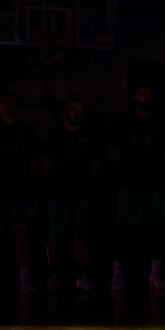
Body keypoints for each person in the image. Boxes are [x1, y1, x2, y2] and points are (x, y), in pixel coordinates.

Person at [109, 85, 165, 291]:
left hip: (155, 185)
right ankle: (118, 274)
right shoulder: (123, 122)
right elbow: (114, 151)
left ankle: (155, 274)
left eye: (150, 94)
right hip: (129, 185)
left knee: (156, 230)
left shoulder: (160, 122)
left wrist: (161, 172)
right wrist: (121, 176)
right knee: (125, 230)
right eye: (143, 94)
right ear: (135, 97)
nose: (147, 97)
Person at [44, 99, 100, 292]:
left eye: (80, 109)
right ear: (65, 112)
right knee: (55, 235)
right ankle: (52, 275)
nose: (77, 112)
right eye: (73, 109)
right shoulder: (54, 136)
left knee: (82, 235)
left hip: (83, 193)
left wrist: (89, 185)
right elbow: (47, 166)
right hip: (59, 193)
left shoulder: (89, 137)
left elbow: (95, 165)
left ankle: (81, 276)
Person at [0, 91, 38, 294]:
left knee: (21, 235)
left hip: (21, 190)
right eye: (5, 103)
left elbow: (32, 161)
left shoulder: (27, 130)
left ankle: (24, 280)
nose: (9, 107)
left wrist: (31, 187)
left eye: (12, 103)